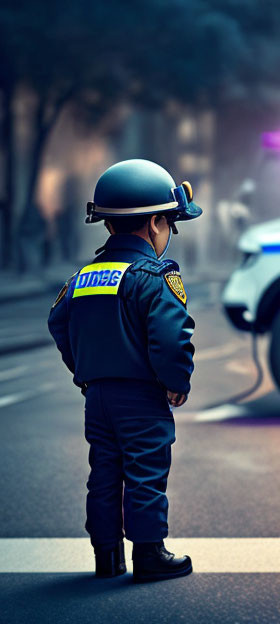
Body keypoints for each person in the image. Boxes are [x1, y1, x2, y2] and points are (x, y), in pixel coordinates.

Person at [47, 158, 201, 582]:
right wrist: (175, 382)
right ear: (154, 223)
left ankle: (106, 556)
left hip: (97, 398)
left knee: (104, 472)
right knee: (146, 470)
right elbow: (171, 336)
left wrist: (85, 372)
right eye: (171, 223)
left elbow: (58, 321)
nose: (169, 233)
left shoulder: (83, 276)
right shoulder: (155, 275)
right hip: (140, 397)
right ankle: (150, 555)